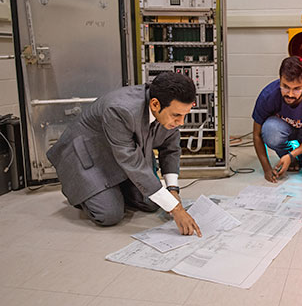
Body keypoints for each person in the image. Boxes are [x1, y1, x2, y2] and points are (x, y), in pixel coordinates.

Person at [47, 72, 201, 236]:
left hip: (122, 155)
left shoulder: (167, 109)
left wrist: (172, 190)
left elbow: (171, 149)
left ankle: (117, 187)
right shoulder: (120, 110)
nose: (181, 122)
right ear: (155, 105)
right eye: (177, 115)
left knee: (153, 203)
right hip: (90, 155)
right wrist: (176, 209)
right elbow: (132, 162)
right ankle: (93, 193)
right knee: (109, 214)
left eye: (185, 115)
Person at [252, 56, 302, 182]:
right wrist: (267, 169)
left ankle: (299, 156)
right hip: (285, 129)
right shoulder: (268, 94)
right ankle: (290, 157)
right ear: (280, 80)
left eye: (296, 89)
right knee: (270, 130)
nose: (290, 94)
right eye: (285, 86)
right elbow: (257, 135)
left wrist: (292, 155)